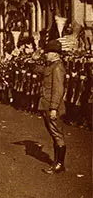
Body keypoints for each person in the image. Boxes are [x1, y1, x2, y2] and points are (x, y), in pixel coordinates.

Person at [32, 40, 66, 174]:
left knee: (57, 135)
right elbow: (38, 70)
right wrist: (34, 60)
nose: (46, 55)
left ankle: (59, 164)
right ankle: (57, 162)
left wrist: (53, 108)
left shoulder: (57, 67)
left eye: (48, 52)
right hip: (47, 104)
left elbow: (58, 89)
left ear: (55, 54)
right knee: (54, 134)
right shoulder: (51, 66)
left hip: (52, 106)